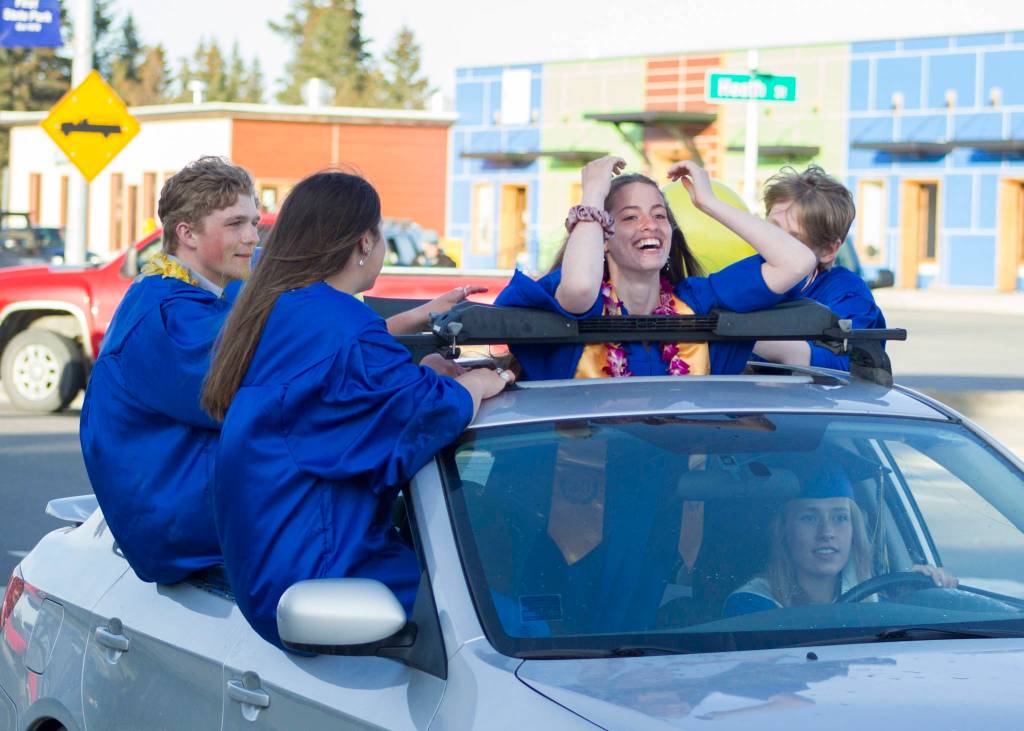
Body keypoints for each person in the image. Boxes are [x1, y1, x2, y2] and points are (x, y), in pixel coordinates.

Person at [201, 171, 513, 647]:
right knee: (514, 615)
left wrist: (425, 371)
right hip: (324, 574)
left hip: (267, 561)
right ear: (365, 241)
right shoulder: (344, 328)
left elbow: (334, 389)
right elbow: (424, 417)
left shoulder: (274, 306)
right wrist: (478, 383)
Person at [80, 156, 261, 584]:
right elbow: (257, 393)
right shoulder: (166, 317)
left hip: (200, 519)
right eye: (236, 224)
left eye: (254, 222)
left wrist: (395, 327)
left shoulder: (197, 294)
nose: (253, 237)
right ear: (187, 234)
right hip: (188, 537)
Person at [494, 156, 818, 379]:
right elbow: (579, 287)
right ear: (603, 237)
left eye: (660, 215)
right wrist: (592, 193)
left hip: (686, 478)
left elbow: (797, 262)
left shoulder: (698, 301)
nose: (650, 225)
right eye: (631, 217)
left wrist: (709, 202)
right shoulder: (578, 302)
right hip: (583, 477)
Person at [723, 450, 956, 616]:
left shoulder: (873, 601)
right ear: (784, 532)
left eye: (840, 517)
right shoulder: (752, 607)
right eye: (810, 518)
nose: (827, 532)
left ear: (855, 531)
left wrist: (924, 599)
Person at [752, 166, 886, 371]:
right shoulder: (748, 275)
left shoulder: (848, 294)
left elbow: (851, 364)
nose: (775, 243)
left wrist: (775, 348)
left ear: (829, 249)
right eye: (771, 229)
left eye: (793, 237)